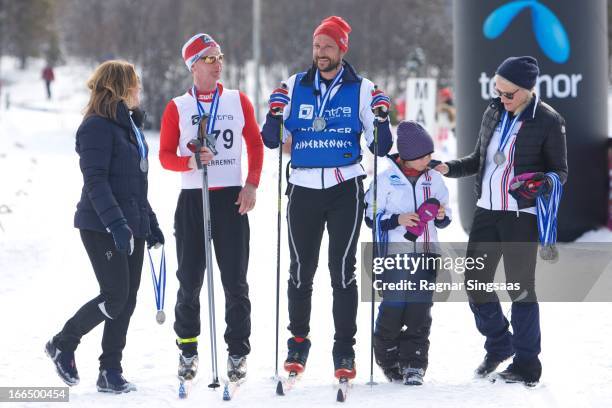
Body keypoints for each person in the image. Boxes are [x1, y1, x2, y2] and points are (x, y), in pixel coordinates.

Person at [260, 15, 393, 380]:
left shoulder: (362, 88)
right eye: (317, 46)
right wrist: (274, 113)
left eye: (328, 46)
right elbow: (271, 139)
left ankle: (344, 349)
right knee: (301, 270)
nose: (320, 53)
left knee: (342, 273)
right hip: (302, 188)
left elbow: (381, 146)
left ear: (342, 49)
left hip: (344, 189)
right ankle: (298, 342)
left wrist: (382, 118)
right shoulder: (294, 84)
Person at [435, 56, 568, 386]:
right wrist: (448, 168)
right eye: (498, 91)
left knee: (520, 289)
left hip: (520, 215)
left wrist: (542, 181)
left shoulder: (548, 120)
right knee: (475, 282)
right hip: (486, 210)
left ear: (526, 91)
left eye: (508, 94)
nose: (502, 99)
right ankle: (499, 343)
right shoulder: (494, 111)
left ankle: (527, 364)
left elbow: (560, 172)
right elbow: (479, 160)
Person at [45, 60, 164, 393]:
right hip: (101, 225)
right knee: (115, 296)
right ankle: (63, 342)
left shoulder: (129, 127)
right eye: (135, 83)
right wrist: (117, 225)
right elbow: (96, 182)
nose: (140, 88)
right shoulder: (96, 127)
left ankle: (110, 371)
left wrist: (149, 223)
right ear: (120, 87)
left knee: (126, 300)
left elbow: (134, 185)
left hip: (130, 224)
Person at [159, 33, 263, 382]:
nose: (219, 63)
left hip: (230, 197)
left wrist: (251, 184)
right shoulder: (178, 106)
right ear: (193, 66)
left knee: (235, 281)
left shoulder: (237, 100)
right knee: (189, 281)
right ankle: (187, 349)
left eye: (220, 56)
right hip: (193, 197)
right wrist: (189, 161)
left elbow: (255, 143)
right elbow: (164, 156)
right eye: (209, 58)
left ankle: (237, 352)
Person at [365, 121, 451, 386]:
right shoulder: (385, 179)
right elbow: (370, 216)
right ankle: (388, 357)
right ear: (406, 157)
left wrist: (440, 215)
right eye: (423, 156)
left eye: (430, 154)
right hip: (395, 256)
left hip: (425, 254)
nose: (429, 160)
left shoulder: (434, 178)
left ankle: (414, 363)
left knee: (419, 310)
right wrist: (397, 219)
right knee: (394, 307)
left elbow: (446, 215)